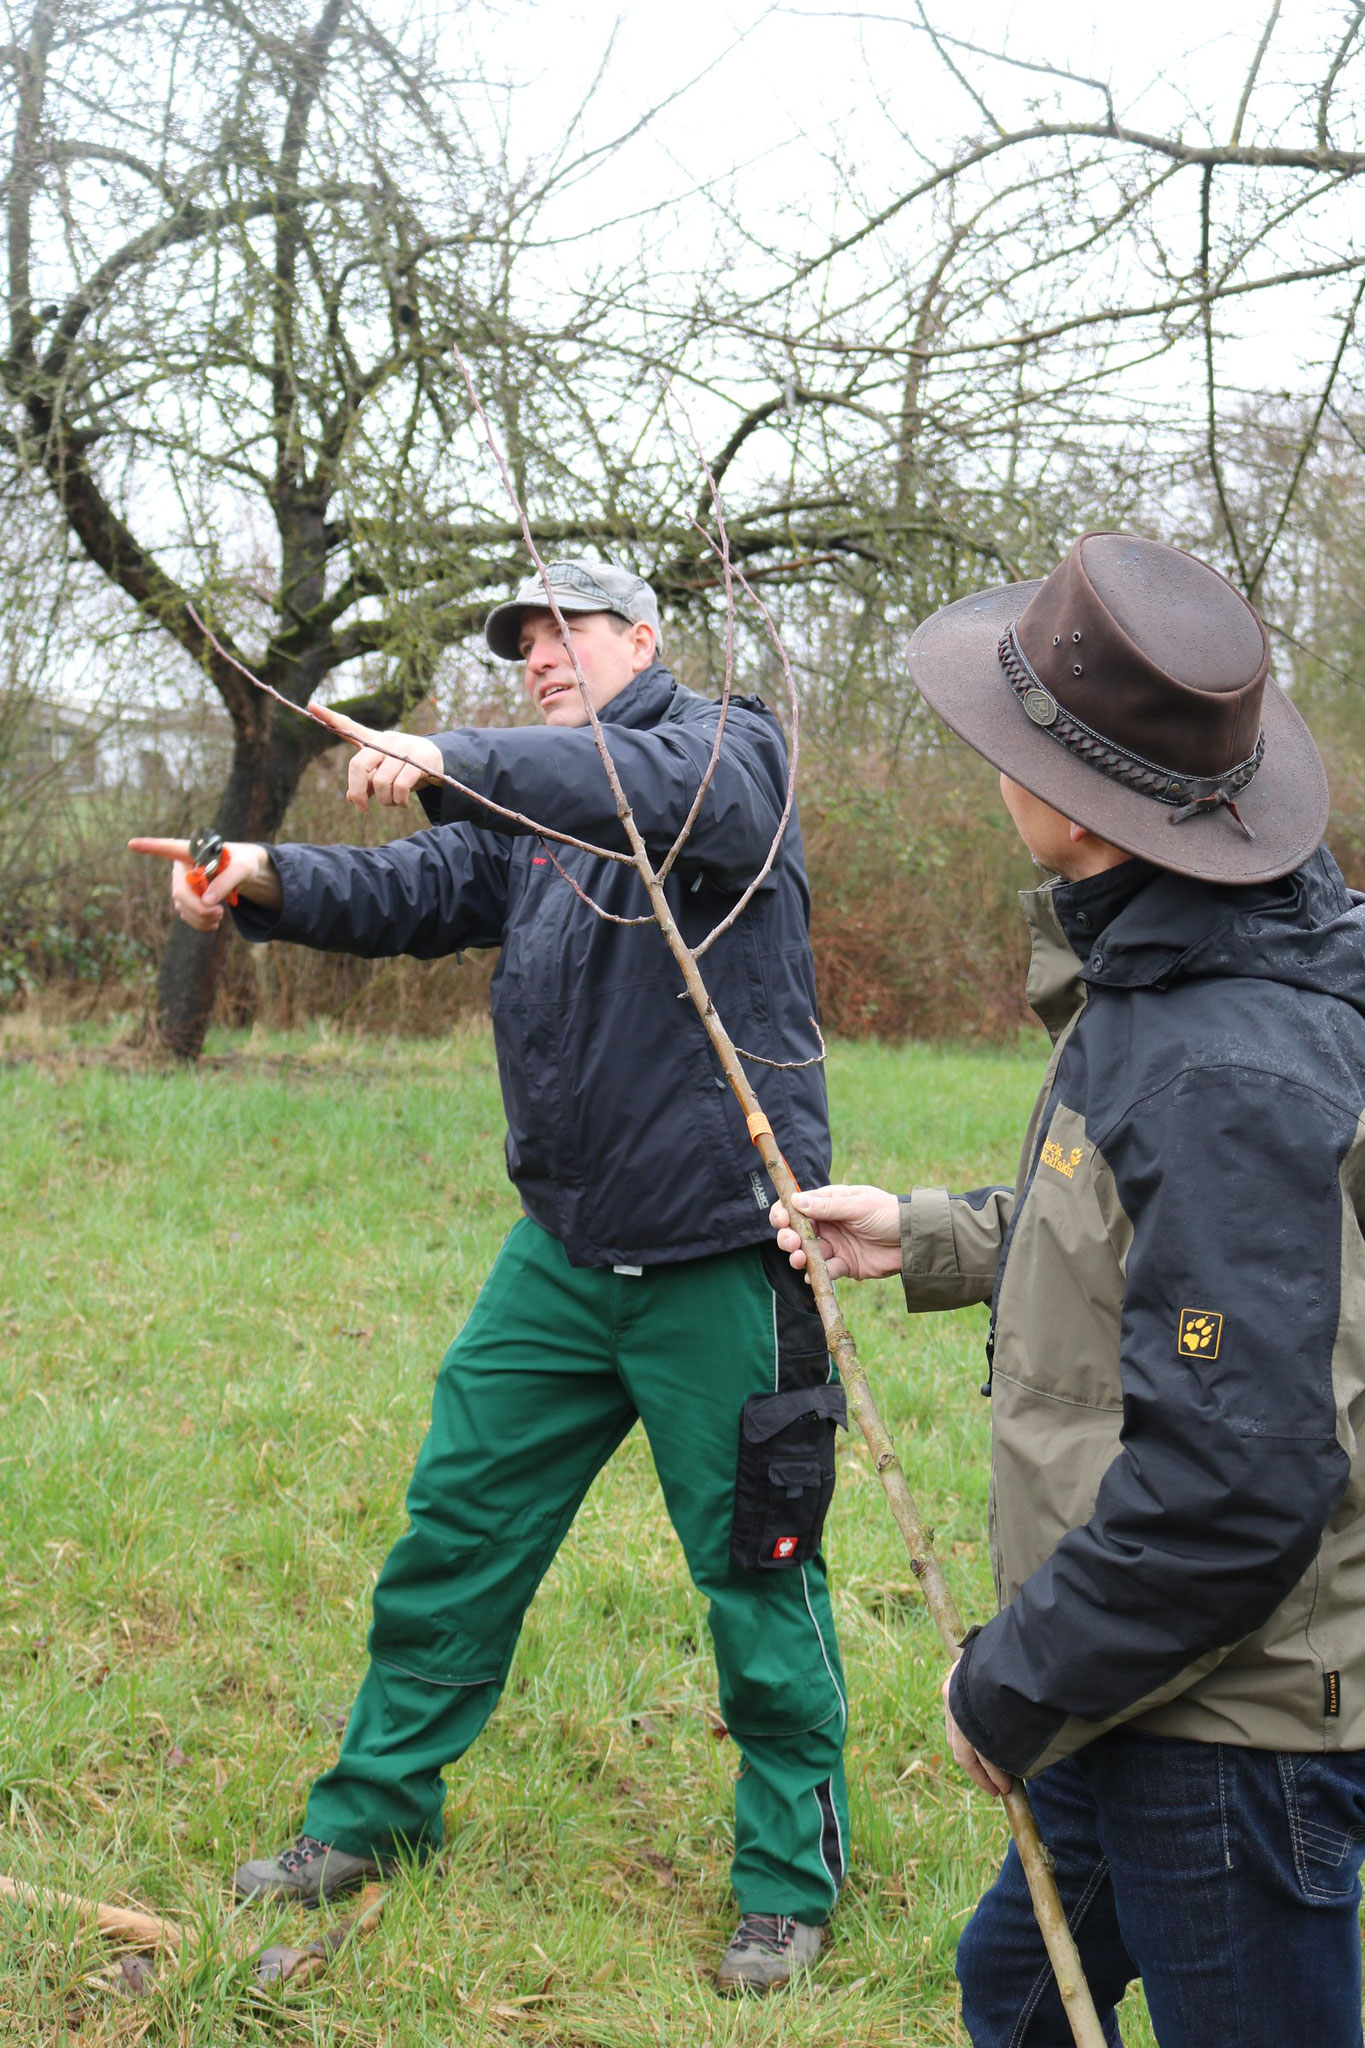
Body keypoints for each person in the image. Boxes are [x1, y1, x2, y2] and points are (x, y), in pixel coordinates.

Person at [132, 559, 848, 1995]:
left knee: (754, 1572)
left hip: (720, 1250)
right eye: (519, 640)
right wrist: (263, 878)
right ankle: (376, 1816)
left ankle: (787, 1879)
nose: (535, 654)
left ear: (641, 638)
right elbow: (416, 886)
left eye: (563, 628)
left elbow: (660, 801)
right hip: (563, 1257)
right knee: (455, 1534)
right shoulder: (527, 821)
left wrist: (449, 754)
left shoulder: (724, 750)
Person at [771, 532, 1365, 2047]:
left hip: (1214, 1708)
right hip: (1140, 1666)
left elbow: (1237, 1482)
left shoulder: (1215, 1054)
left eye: (1004, 742)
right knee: (1019, 1989)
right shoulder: (1178, 973)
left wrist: (1015, 1683)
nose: (987, 769)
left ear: (1084, 808)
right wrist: (936, 1238)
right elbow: (1179, 1253)